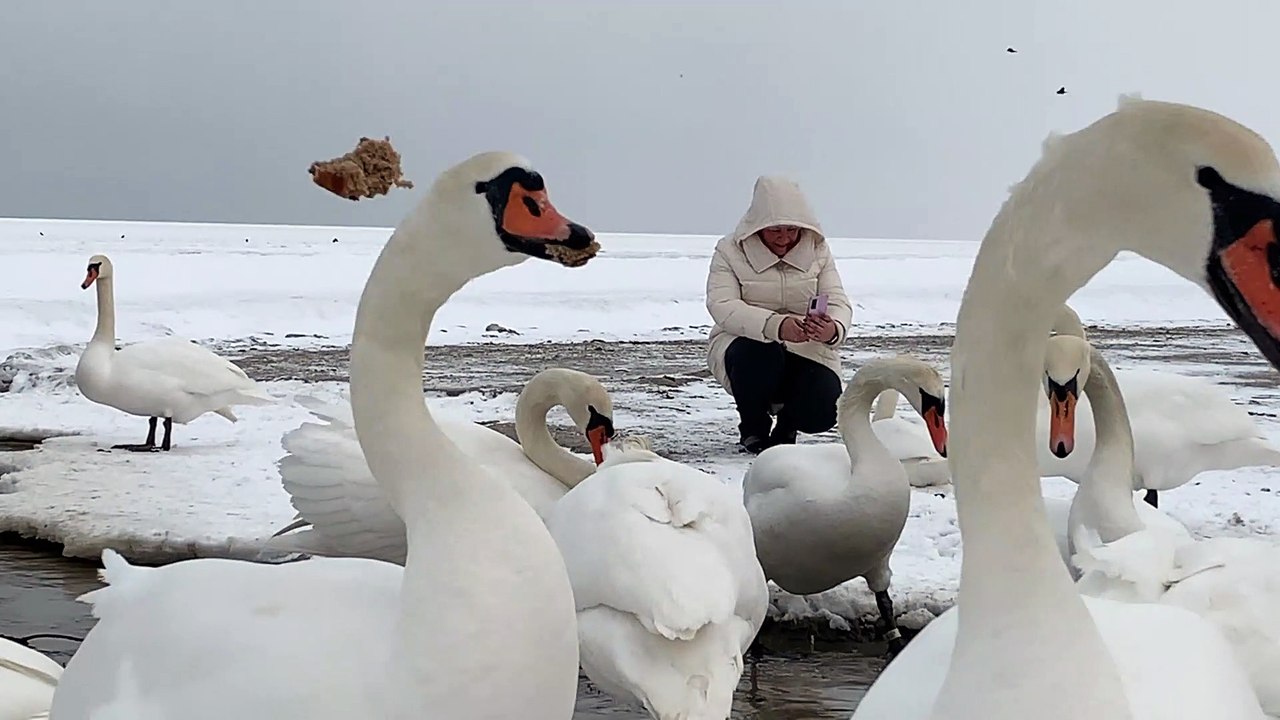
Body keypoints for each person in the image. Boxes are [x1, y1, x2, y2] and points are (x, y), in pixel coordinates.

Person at [705, 175, 852, 454]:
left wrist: (832, 329)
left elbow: (838, 301)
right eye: (775, 230)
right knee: (760, 354)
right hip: (745, 346)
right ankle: (753, 426)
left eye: (791, 230)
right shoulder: (729, 251)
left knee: (825, 408)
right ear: (757, 226)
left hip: (807, 348)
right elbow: (722, 305)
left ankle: (788, 425)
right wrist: (776, 326)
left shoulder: (818, 250)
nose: (784, 238)